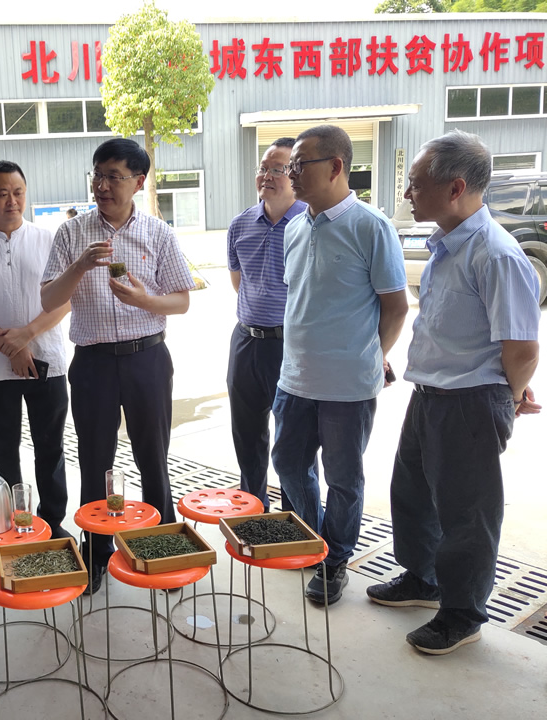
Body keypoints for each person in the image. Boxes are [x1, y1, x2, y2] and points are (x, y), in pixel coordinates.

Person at [366, 131, 541, 654]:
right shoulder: (448, 244)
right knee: (414, 494)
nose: (408, 194)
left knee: (467, 514)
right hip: (431, 394)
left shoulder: (496, 254)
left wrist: (509, 397)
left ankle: (462, 613)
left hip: (469, 401)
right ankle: (423, 579)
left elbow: (522, 348)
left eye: (416, 184)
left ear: (456, 188)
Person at [41, 138, 195, 593]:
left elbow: (181, 300)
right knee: (94, 462)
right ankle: (96, 553)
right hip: (93, 363)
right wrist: (80, 266)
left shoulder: (158, 233)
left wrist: (146, 300)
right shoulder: (72, 233)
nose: (102, 185)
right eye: (98, 175)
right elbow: (48, 299)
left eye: (114, 176)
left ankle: (161, 549)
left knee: (153, 459)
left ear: (138, 181)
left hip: (147, 358)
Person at [272, 125, 408, 605]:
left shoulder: (371, 226)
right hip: (295, 378)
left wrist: (374, 355)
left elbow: (396, 307)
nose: (290, 174)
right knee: (288, 463)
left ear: (335, 166)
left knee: (344, 479)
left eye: (299, 164)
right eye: (288, 166)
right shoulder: (294, 226)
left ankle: (335, 561)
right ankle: (314, 541)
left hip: (348, 386)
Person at [0, 161, 72, 538]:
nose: (12, 201)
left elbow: (66, 299)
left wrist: (27, 336)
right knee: (4, 452)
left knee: (50, 448)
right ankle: (14, 525)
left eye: (18, 193)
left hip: (47, 362)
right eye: (2, 194)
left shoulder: (48, 239)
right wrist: (11, 347)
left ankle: (52, 523)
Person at [226, 137, 306, 510]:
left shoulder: (310, 224)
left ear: (296, 174)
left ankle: (295, 519)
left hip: (291, 344)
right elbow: (238, 281)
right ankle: (254, 511)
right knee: (247, 435)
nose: (267, 176)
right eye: (263, 168)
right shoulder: (240, 224)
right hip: (246, 340)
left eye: (278, 169)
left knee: (293, 440)